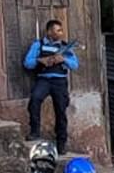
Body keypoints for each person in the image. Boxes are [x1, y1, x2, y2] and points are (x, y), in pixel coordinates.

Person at [23, 20, 76, 149]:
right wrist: (40, 61)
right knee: (35, 99)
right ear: (49, 32)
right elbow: (27, 63)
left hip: (60, 82)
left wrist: (64, 59)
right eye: (57, 30)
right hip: (44, 80)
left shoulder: (65, 47)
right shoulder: (38, 45)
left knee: (61, 111)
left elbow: (75, 65)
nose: (61, 33)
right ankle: (35, 131)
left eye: (61, 30)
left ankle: (61, 143)